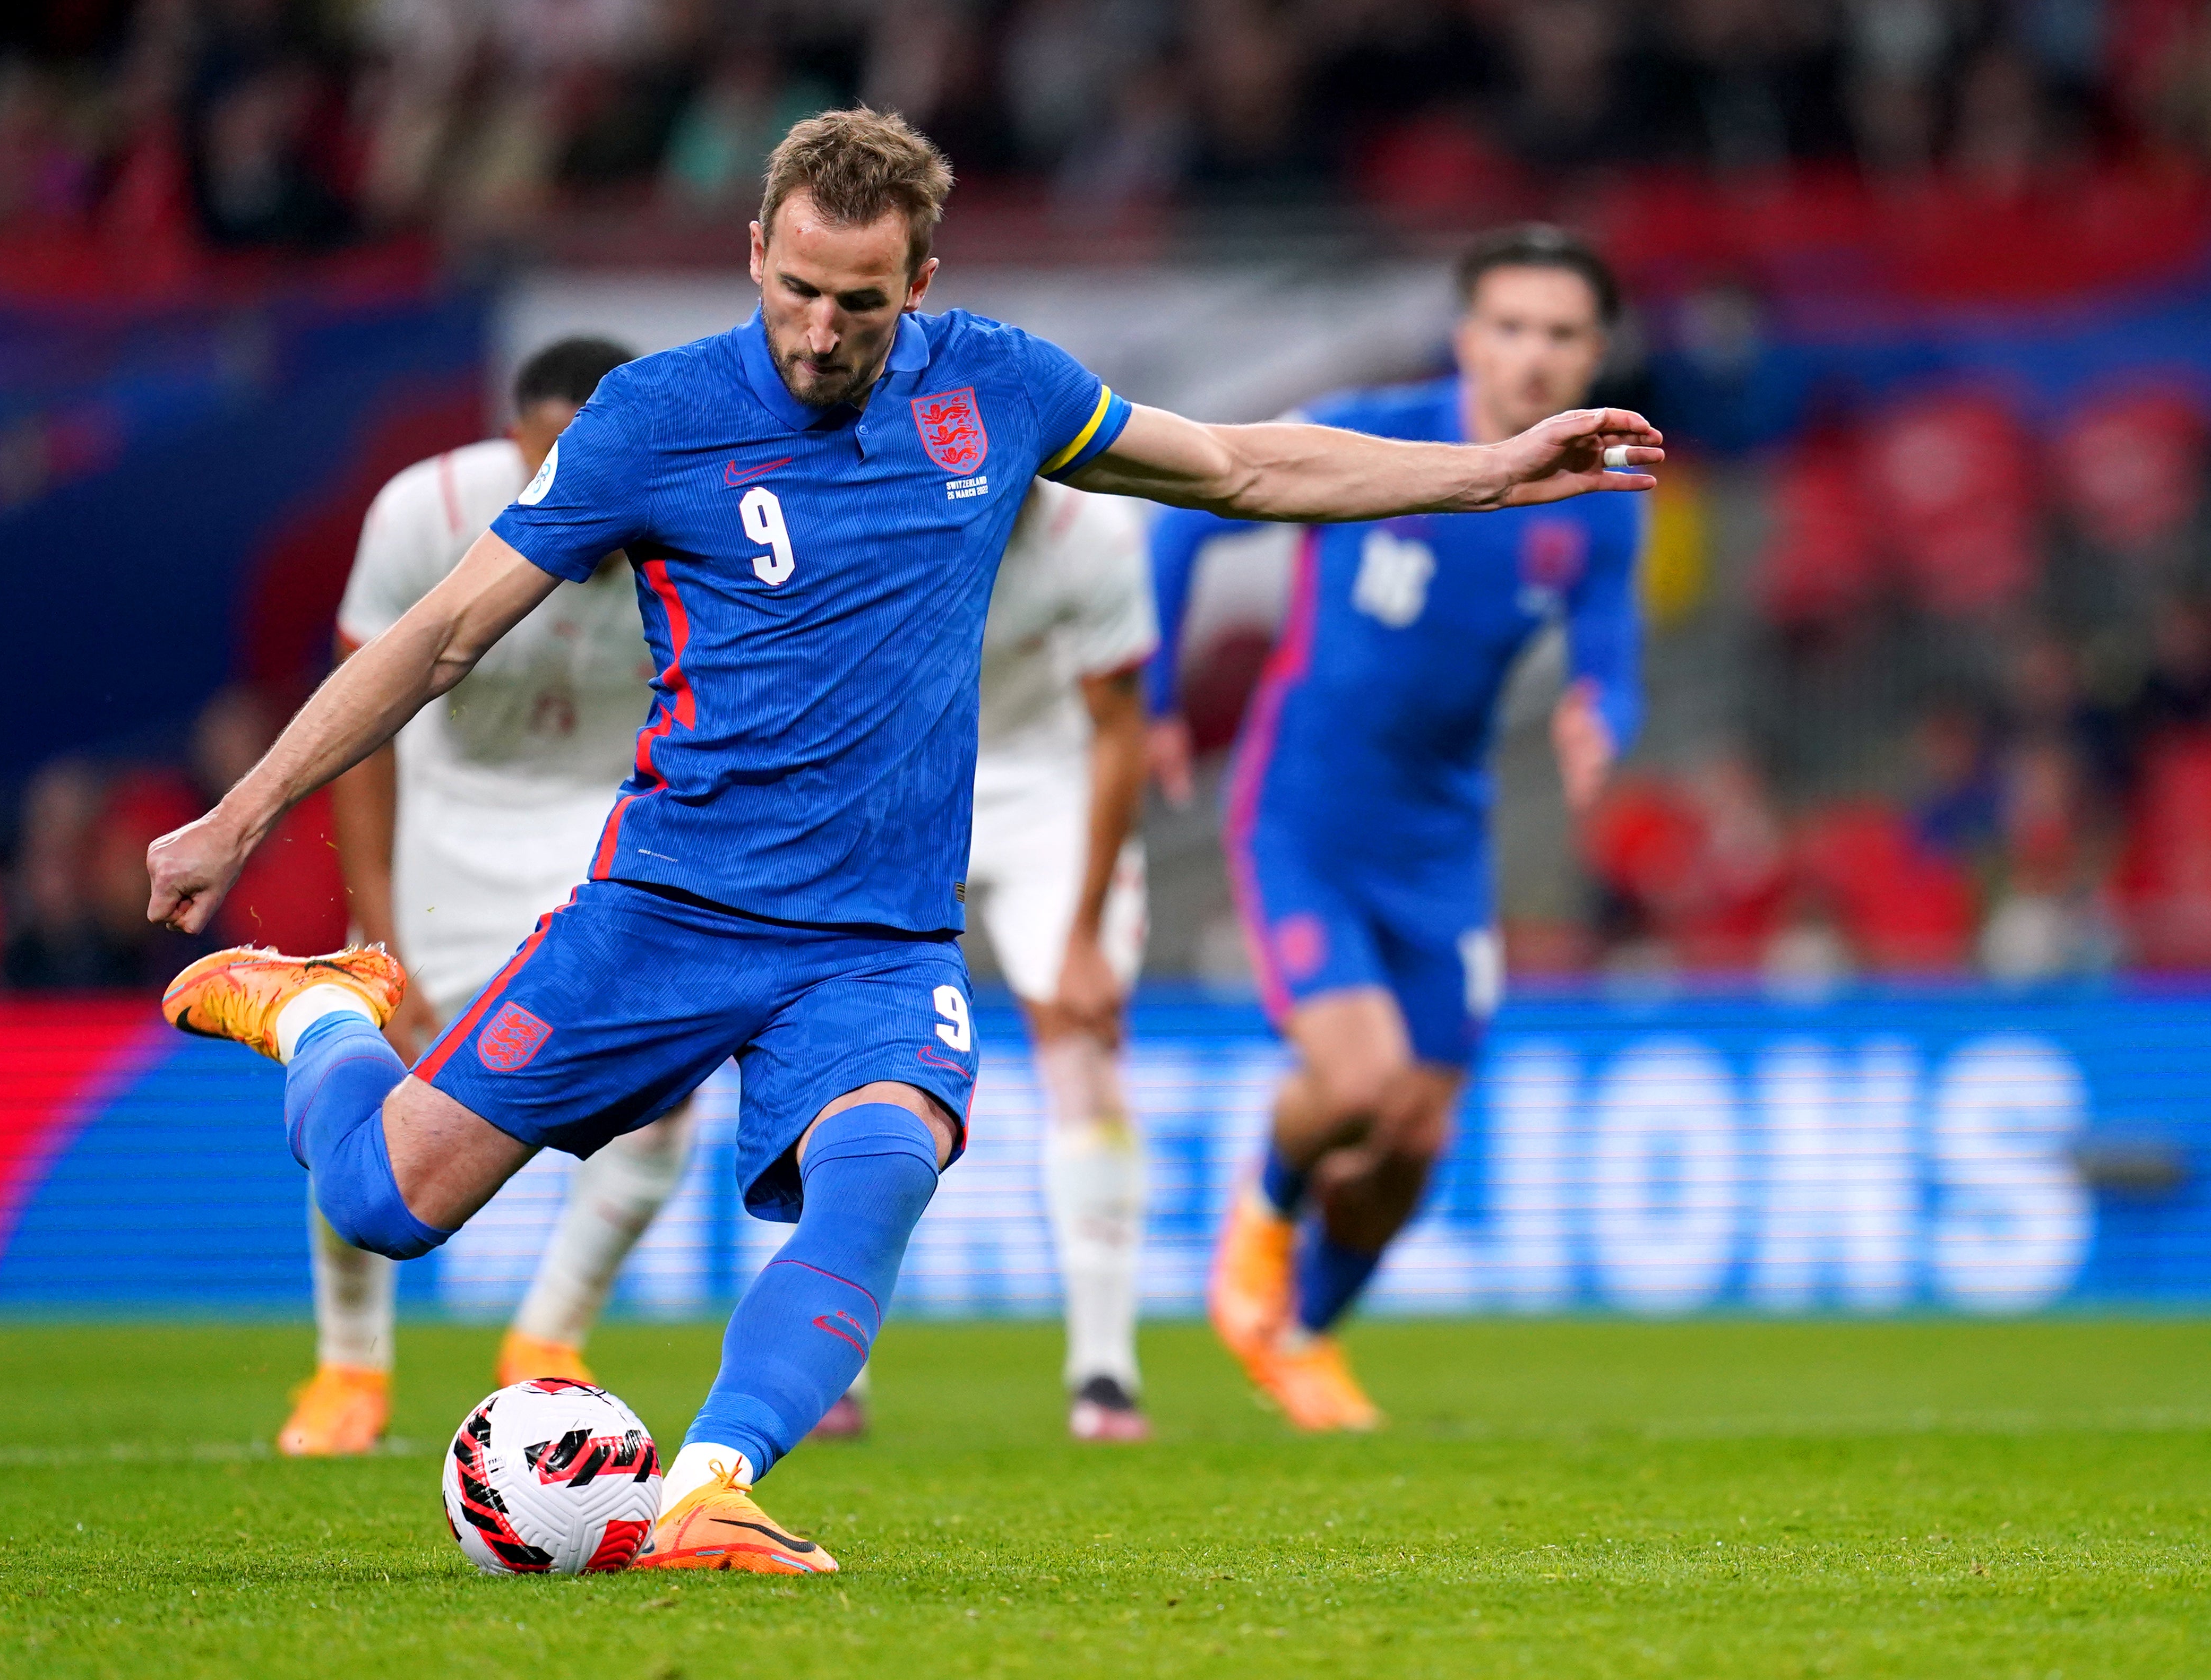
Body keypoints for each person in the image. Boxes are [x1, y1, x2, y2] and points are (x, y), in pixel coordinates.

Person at [145, 110, 1658, 1574]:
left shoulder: (995, 388)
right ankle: (322, 1011)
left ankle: (709, 1488)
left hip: (875, 939)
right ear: (755, 256)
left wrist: (1492, 468)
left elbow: (1241, 466)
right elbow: (444, 634)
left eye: (859, 304)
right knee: (383, 1204)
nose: (820, 330)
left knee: (888, 1156)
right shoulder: (654, 419)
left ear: (920, 286)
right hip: (664, 908)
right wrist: (247, 805)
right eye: (797, 290)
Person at [1149, 225, 1647, 1432]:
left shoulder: (1595, 490)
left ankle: (1303, 1335)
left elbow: (1609, 652)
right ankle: (1257, 1233)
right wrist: (1157, 694)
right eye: (1511, 327)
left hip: (1439, 841)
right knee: (1359, 1077)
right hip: (1304, 811)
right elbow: (1183, 521)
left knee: (1415, 1138)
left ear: (1594, 350)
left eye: (1560, 333)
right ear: (1467, 335)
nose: (1533, 356)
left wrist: (1597, 716)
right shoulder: (1375, 433)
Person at [276, 335, 703, 1457]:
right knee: (383, 1089)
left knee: (667, 1095)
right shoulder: (425, 511)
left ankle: (547, 1337)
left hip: (601, 829)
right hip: (443, 828)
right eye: (553, 452)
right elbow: (364, 716)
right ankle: (348, 1369)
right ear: (515, 443)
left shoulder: (690, 521)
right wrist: (374, 911)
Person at [816, 477, 1159, 1445]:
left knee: (1082, 1050)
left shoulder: (1093, 534)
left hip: (1053, 791)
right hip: (905, 784)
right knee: (858, 1062)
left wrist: (1086, 933)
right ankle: (833, 1367)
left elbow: (1118, 727)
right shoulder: (875, 507)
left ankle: (1105, 1373)